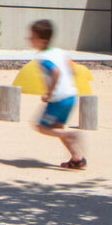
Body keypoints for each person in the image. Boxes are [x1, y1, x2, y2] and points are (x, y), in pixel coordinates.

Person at [29, 20, 86, 170]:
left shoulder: (42, 58)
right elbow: (72, 68)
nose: (30, 40)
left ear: (43, 41)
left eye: (32, 37)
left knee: (40, 126)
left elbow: (55, 71)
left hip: (58, 99)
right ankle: (77, 158)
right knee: (58, 127)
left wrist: (49, 92)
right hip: (71, 96)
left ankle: (70, 134)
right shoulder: (60, 52)